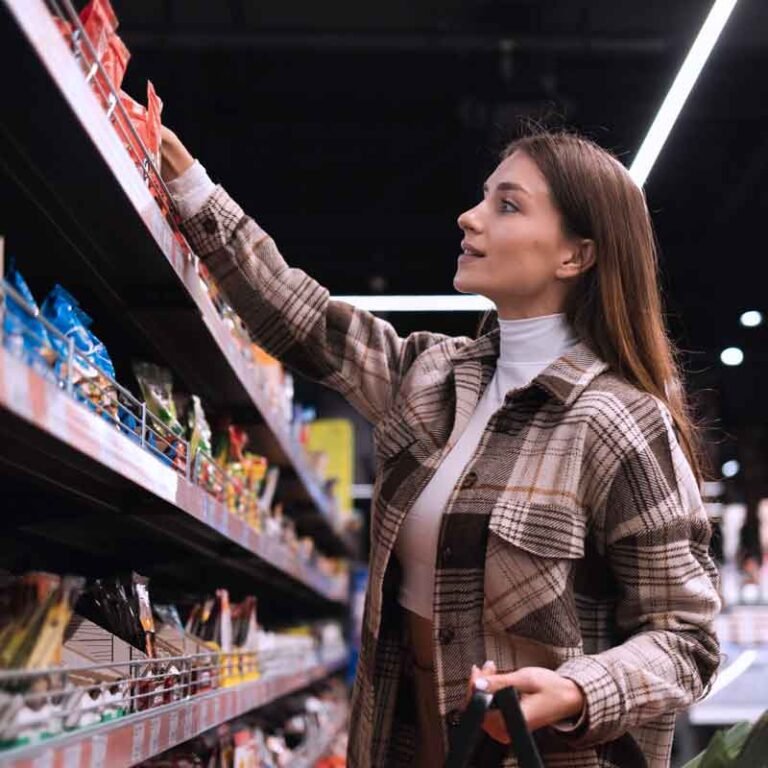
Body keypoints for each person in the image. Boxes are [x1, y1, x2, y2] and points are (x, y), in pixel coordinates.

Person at [160, 127, 721, 768]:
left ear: (575, 256)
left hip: (530, 749)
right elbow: (307, 320)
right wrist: (190, 184)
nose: (470, 217)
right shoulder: (432, 377)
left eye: (506, 205)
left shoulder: (617, 421)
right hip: (403, 729)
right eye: (483, 198)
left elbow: (687, 639)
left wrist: (575, 690)